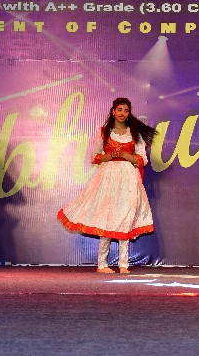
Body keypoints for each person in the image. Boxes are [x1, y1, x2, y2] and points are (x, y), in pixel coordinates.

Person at [58, 97, 157, 274]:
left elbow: (142, 160)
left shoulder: (135, 134)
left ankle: (123, 264)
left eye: (126, 110)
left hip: (128, 179)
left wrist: (125, 156)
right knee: (107, 216)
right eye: (120, 110)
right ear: (113, 111)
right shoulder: (104, 132)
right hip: (108, 178)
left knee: (125, 217)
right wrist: (111, 156)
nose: (123, 113)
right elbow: (95, 157)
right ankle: (102, 264)